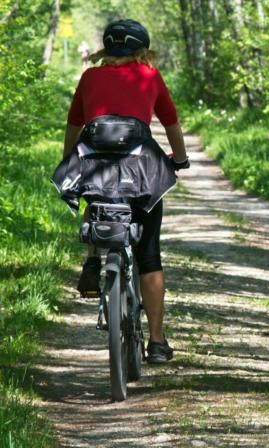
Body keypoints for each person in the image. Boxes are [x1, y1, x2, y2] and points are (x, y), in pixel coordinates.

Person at [62, 19, 190, 364]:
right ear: (141, 50)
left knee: (96, 191)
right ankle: (158, 342)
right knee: (149, 254)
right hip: (140, 168)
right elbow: (171, 123)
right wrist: (179, 160)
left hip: (95, 163)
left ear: (106, 48)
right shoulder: (149, 76)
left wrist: (68, 162)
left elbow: (74, 126)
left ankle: (92, 257)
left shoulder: (89, 77)